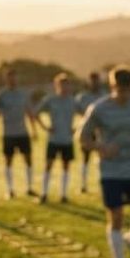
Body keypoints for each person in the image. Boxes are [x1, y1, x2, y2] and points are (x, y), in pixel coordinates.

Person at [79, 65, 130, 258]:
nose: (124, 95)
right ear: (112, 87)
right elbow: (83, 138)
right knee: (117, 217)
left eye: (128, 90)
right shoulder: (99, 108)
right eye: (120, 91)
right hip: (110, 172)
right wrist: (100, 148)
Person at [0, 67, 39, 199]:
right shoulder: (0, 95)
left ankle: (29, 188)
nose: (12, 79)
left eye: (14, 77)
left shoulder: (23, 94)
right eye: (9, 77)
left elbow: (29, 113)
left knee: (28, 160)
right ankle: (10, 189)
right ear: (6, 79)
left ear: (17, 78)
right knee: (8, 161)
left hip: (23, 133)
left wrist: (34, 130)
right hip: (9, 134)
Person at [35, 73, 76, 203]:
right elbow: (35, 113)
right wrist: (45, 127)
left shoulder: (73, 101)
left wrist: (76, 128)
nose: (64, 87)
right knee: (48, 165)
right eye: (61, 85)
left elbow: (87, 114)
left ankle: (63, 194)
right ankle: (44, 193)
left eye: (66, 85)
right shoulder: (50, 100)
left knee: (66, 166)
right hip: (53, 139)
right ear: (56, 86)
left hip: (67, 140)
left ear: (69, 86)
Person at [75, 71, 108, 193]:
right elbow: (77, 110)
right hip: (88, 131)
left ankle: (103, 183)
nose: (95, 83)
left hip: (101, 131)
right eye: (93, 81)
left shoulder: (104, 95)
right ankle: (83, 184)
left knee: (102, 157)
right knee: (85, 158)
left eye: (97, 81)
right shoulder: (82, 97)